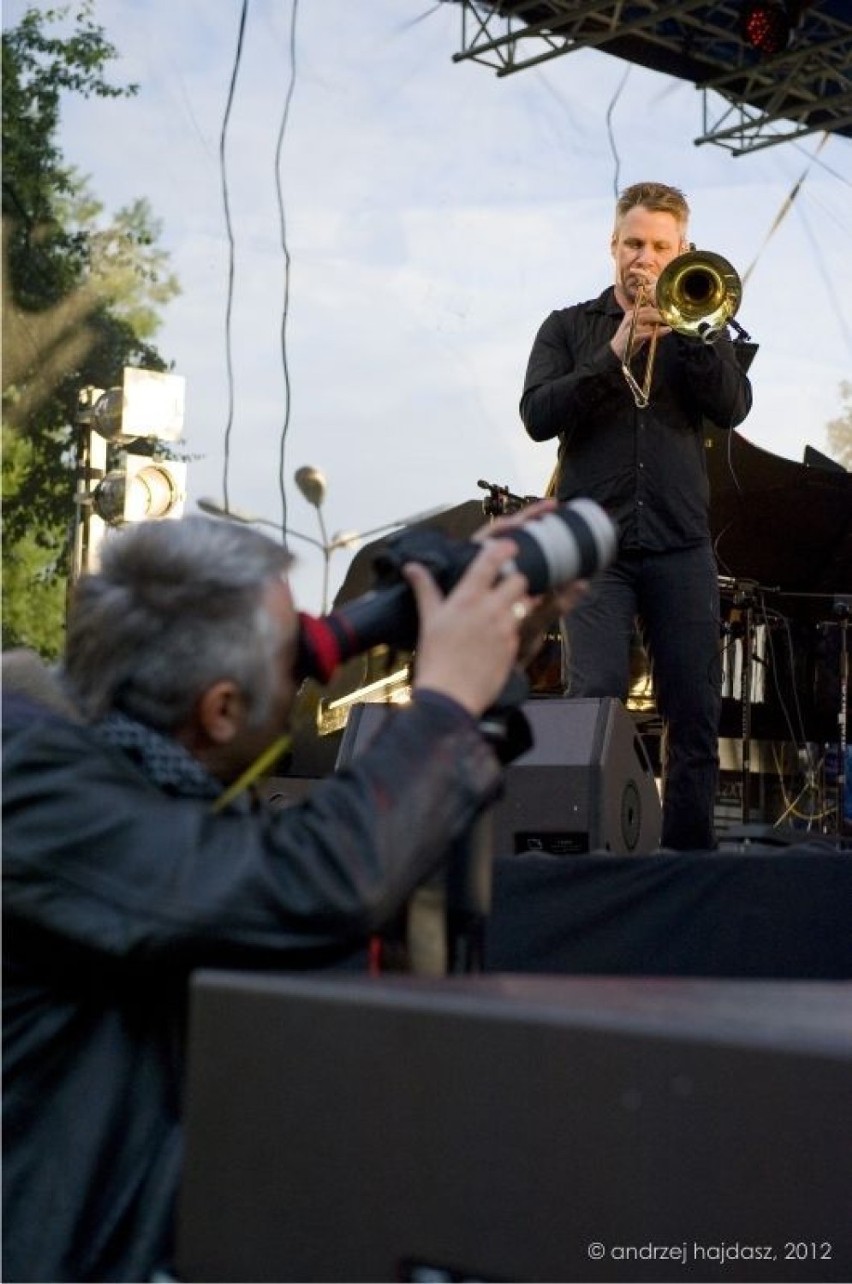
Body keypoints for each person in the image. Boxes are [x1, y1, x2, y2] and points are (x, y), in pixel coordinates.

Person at [2, 508, 579, 1283]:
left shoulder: (138, 785)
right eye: (291, 662)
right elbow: (311, 882)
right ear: (220, 711)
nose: (312, 665)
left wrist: (487, 664)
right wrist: (444, 708)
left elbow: (373, 893)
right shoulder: (30, 788)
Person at [520, 181, 753, 851]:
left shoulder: (700, 323)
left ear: (683, 249)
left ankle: (688, 864)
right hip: (592, 545)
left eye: (658, 246)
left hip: (680, 545)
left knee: (695, 710)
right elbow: (537, 414)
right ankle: (585, 859)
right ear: (611, 245)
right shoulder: (568, 327)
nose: (643, 258)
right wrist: (614, 350)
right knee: (593, 700)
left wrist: (696, 336)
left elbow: (733, 406)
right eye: (632, 243)